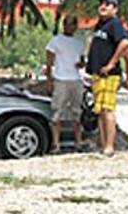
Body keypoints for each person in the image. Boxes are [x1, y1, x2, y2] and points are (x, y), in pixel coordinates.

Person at [86, 0, 128, 156]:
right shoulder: (100, 26)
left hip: (109, 75)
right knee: (100, 110)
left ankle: (110, 147)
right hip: (97, 74)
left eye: (108, 4)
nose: (103, 7)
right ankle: (103, 144)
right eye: (101, 4)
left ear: (115, 9)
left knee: (107, 109)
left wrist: (111, 64)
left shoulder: (115, 24)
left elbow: (125, 43)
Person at [45, 14, 86, 152]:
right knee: (57, 112)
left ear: (75, 26)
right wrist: (49, 80)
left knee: (77, 112)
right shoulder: (55, 41)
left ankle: (78, 142)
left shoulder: (79, 43)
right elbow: (49, 62)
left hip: (76, 79)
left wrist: (81, 64)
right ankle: (56, 144)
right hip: (60, 79)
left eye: (72, 24)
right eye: (67, 24)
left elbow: (82, 60)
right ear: (64, 25)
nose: (70, 27)